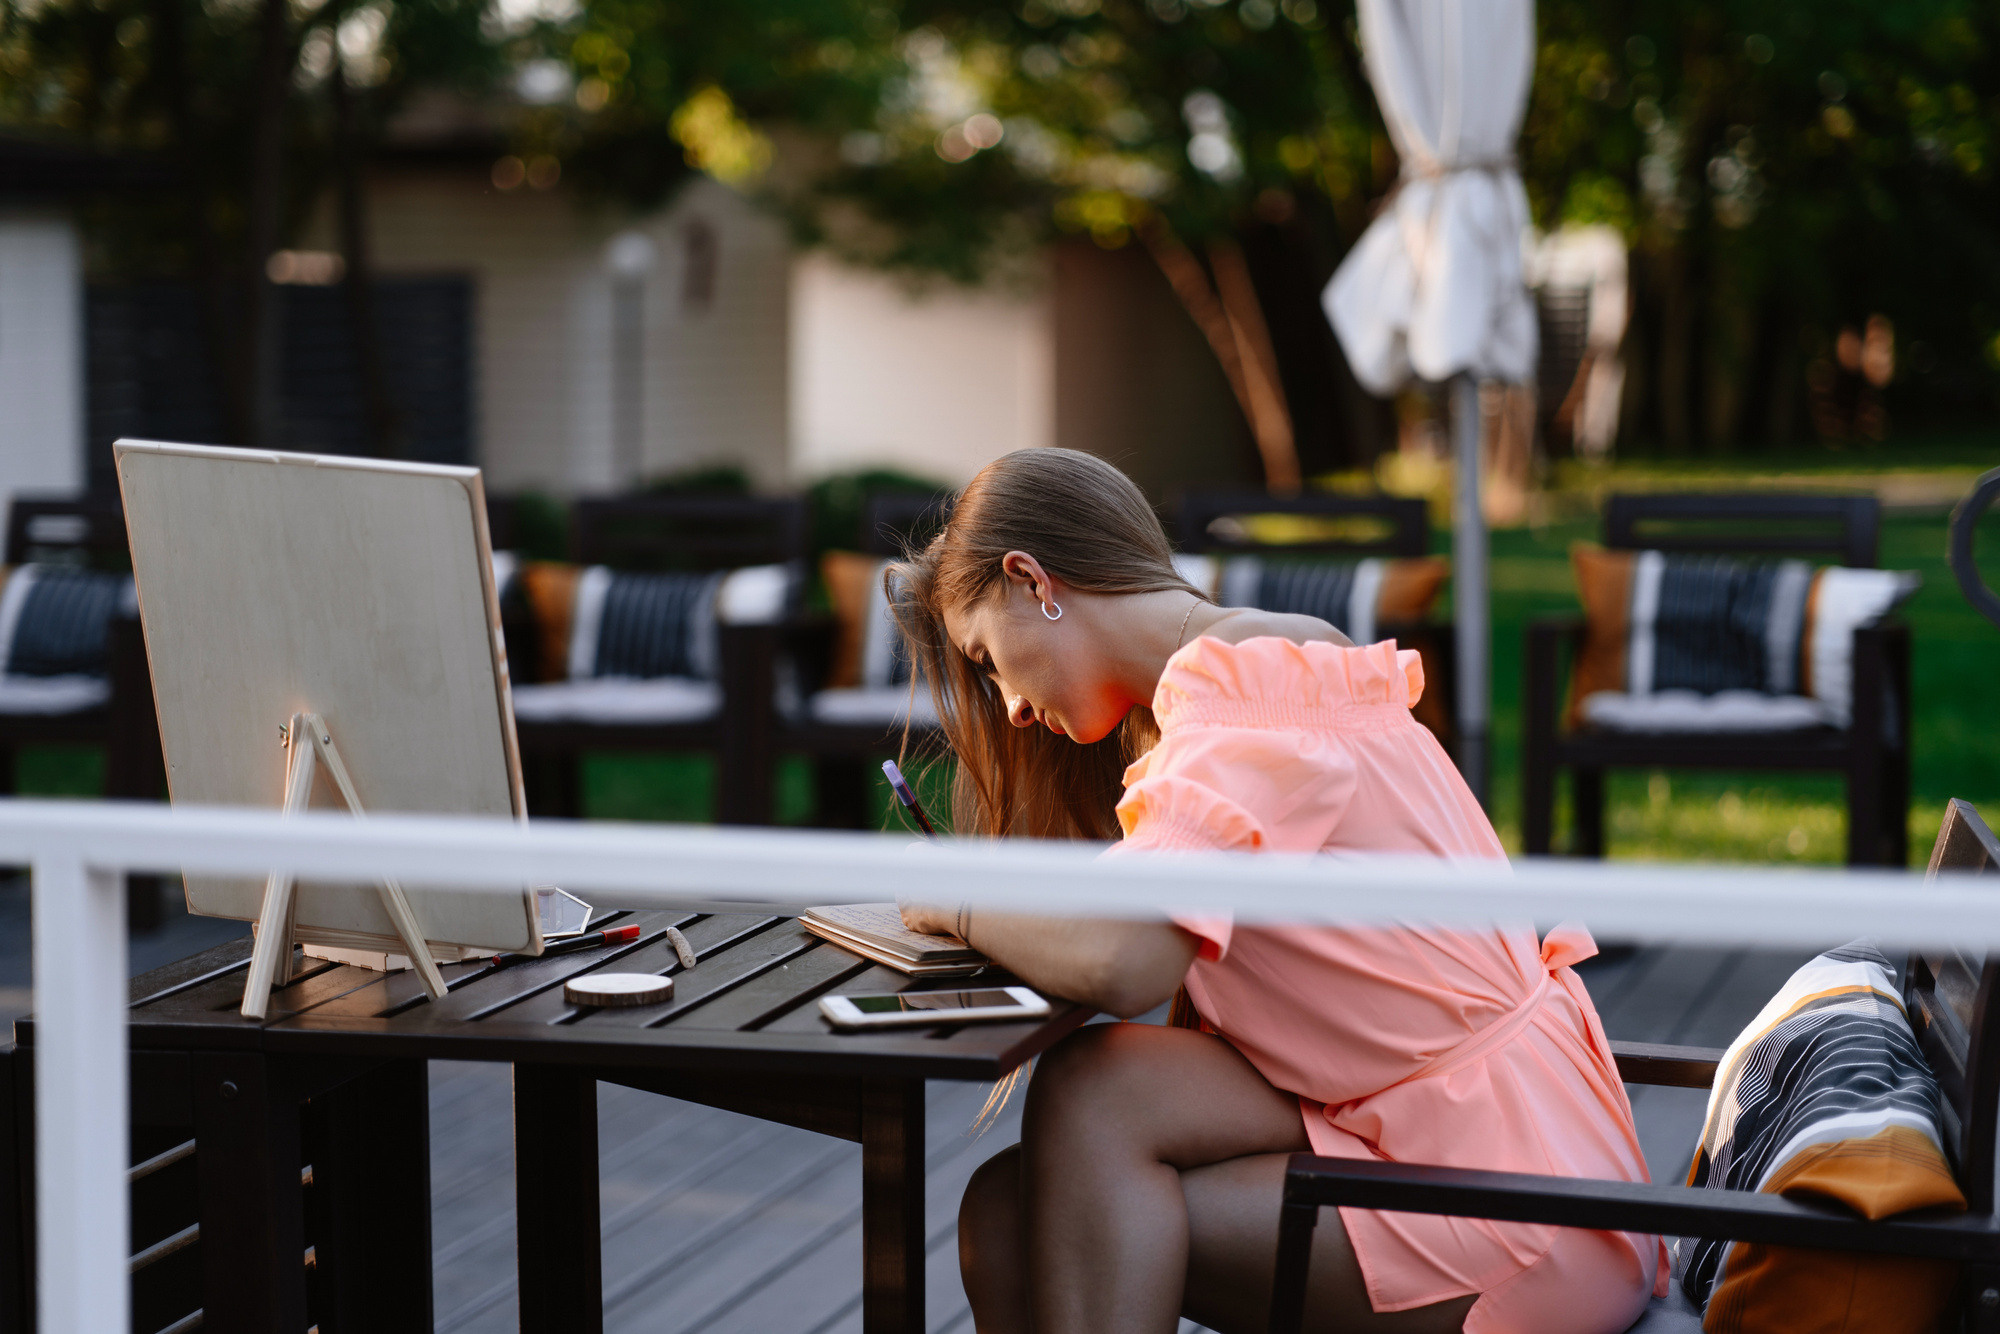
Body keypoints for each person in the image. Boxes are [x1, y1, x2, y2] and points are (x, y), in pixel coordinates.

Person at [890, 449, 1663, 1334]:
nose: (1012, 708)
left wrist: (958, 900)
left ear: (1032, 581)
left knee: (1049, 1200)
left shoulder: (1247, 706)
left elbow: (1125, 962)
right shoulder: (1268, 664)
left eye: (987, 660)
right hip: (1463, 1129)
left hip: (1519, 1208)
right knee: (1031, 1173)